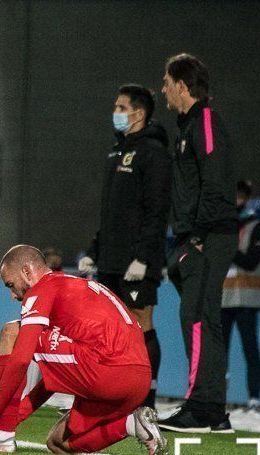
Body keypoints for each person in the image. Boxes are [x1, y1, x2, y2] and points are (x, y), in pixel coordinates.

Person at [0, 245, 167, 455]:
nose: (12, 295)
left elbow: (20, 360)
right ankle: (132, 425)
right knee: (58, 442)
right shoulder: (77, 286)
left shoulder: (42, 289)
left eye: (11, 285)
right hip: (138, 380)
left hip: (107, 369)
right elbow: (57, 376)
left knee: (12, 332)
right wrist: (15, 416)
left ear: (26, 272)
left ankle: (1, 439)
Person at [159, 54, 239, 433]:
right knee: (205, 320)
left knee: (195, 320)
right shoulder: (188, 126)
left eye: (166, 83)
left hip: (207, 238)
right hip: (199, 238)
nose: (163, 90)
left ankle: (201, 408)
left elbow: (217, 182)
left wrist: (197, 237)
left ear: (182, 86)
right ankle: (213, 409)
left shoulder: (204, 122)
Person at [79, 84, 171, 409]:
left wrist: (144, 258)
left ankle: (147, 399)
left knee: (140, 323)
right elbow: (111, 213)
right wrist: (94, 249)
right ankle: (112, 394)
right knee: (110, 328)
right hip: (112, 261)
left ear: (138, 113)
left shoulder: (154, 152)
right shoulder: (115, 152)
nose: (115, 113)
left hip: (137, 261)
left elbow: (157, 210)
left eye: (121, 107)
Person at [222, 180, 260, 410]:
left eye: (240, 196)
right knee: (220, 352)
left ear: (246, 198)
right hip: (224, 298)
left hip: (247, 298)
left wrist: (229, 248)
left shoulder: (255, 226)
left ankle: (254, 399)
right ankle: (219, 397)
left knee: (250, 347)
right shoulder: (224, 225)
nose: (236, 200)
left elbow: (251, 261)